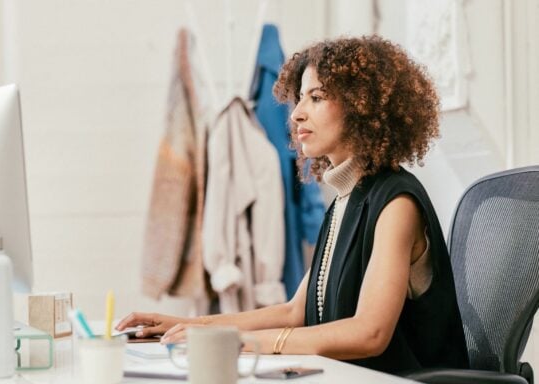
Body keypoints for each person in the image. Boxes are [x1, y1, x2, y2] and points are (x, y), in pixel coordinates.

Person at [117, 35, 470, 374]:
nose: (296, 113)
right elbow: (294, 311)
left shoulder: (397, 203)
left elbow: (369, 333)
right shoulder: (347, 199)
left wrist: (241, 341)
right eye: (300, 98)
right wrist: (193, 325)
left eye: (316, 97)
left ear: (363, 105)